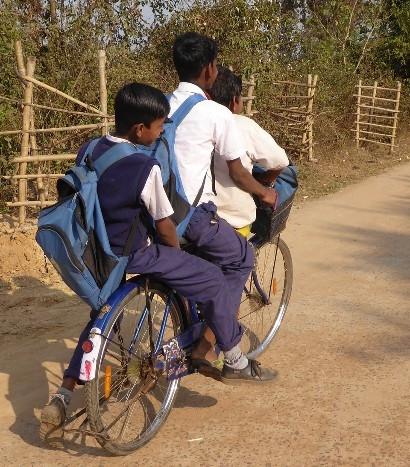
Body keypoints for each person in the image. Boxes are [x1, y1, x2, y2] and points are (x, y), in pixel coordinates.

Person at [39, 82, 273, 443]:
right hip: (138, 251)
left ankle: (65, 393)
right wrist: (177, 257)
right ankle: (236, 359)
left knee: (101, 315)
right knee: (210, 279)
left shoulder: (92, 148)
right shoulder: (144, 167)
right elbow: (165, 224)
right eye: (160, 126)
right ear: (140, 129)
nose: (162, 131)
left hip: (101, 252)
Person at [169, 32, 277, 380]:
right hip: (193, 217)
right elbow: (237, 171)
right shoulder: (216, 113)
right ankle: (229, 355)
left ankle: (197, 329)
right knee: (241, 258)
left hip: (158, 214)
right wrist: (264, 192)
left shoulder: (161, 105)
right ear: (210, 70)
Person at [208, 65, 289, 235]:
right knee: (241, 259)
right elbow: (281, 161)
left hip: (191, 218)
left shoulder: (190, 121)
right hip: (232, 220)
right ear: (235, 101)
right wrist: (265, 182)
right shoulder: (243, 125)